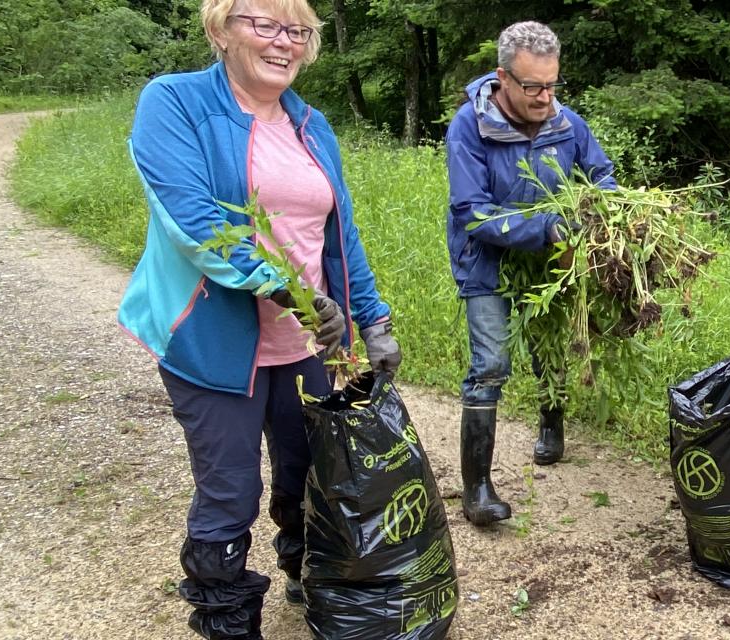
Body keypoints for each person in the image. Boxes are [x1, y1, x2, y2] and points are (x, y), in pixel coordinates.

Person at [117, 0, 400, 636]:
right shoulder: (175, 103)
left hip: (307, 344)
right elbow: (198, 225)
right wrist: (300, 298)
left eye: (297, 31)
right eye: (264, 24)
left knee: (312, 475)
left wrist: (373, 320)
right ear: (221, 29)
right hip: (212, 339)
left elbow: (338, 233)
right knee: (231, 491)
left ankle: (306, 570)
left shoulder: (310, 122)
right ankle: (227, 617)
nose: (284, 42)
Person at [444, 21, 617, 526]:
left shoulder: (568, 124)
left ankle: (551, 424)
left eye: (552, 84)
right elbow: (471, 211)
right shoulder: (469, 127)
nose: (545, 97)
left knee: (548, 345)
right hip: (488, 261)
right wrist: (547, 228)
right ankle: (477, 488)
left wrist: (598, 209)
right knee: (491, 363)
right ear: (502, 78)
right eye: (533, 87)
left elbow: (602, 174)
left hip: (550, 260)